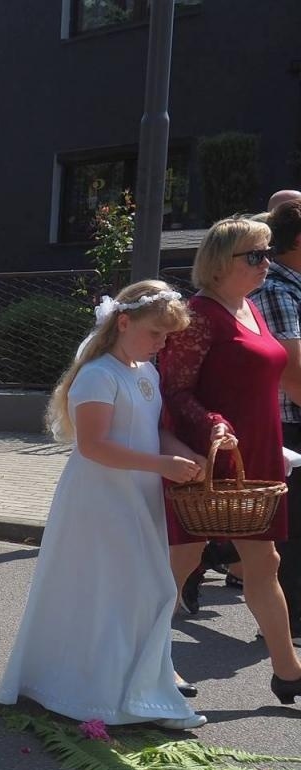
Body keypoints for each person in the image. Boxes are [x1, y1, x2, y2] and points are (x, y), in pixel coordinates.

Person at [0, 281, 207, 728]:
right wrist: (161, 463)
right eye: (156, 334)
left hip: (137, 495)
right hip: (101, 498)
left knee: (143, 591)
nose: (162, 343)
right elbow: (94, 446)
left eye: (168, 336)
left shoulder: (146, 374)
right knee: (116, 591)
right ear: (124, 322)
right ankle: (105, 694)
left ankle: (141, 688)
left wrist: (180, 453)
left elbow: (150, 429)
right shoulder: (98, 376)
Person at [161, 216, 301, 702]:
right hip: (208, 456)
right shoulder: (198, 314)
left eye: (269, 252)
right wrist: (213, 423)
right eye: (256, 256)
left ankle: (288, 670)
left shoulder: (250, 309)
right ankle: (149, 661)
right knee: (182, 560)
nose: (267, 263)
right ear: (221, 263)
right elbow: (174, 391)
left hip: (255, 456)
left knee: (265, 561)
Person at [255, 198, 301, 640]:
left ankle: (210, 553)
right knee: (292, 528)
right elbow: (293, 376)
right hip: (290, 422)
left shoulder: (295, 286)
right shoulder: (279, 291)